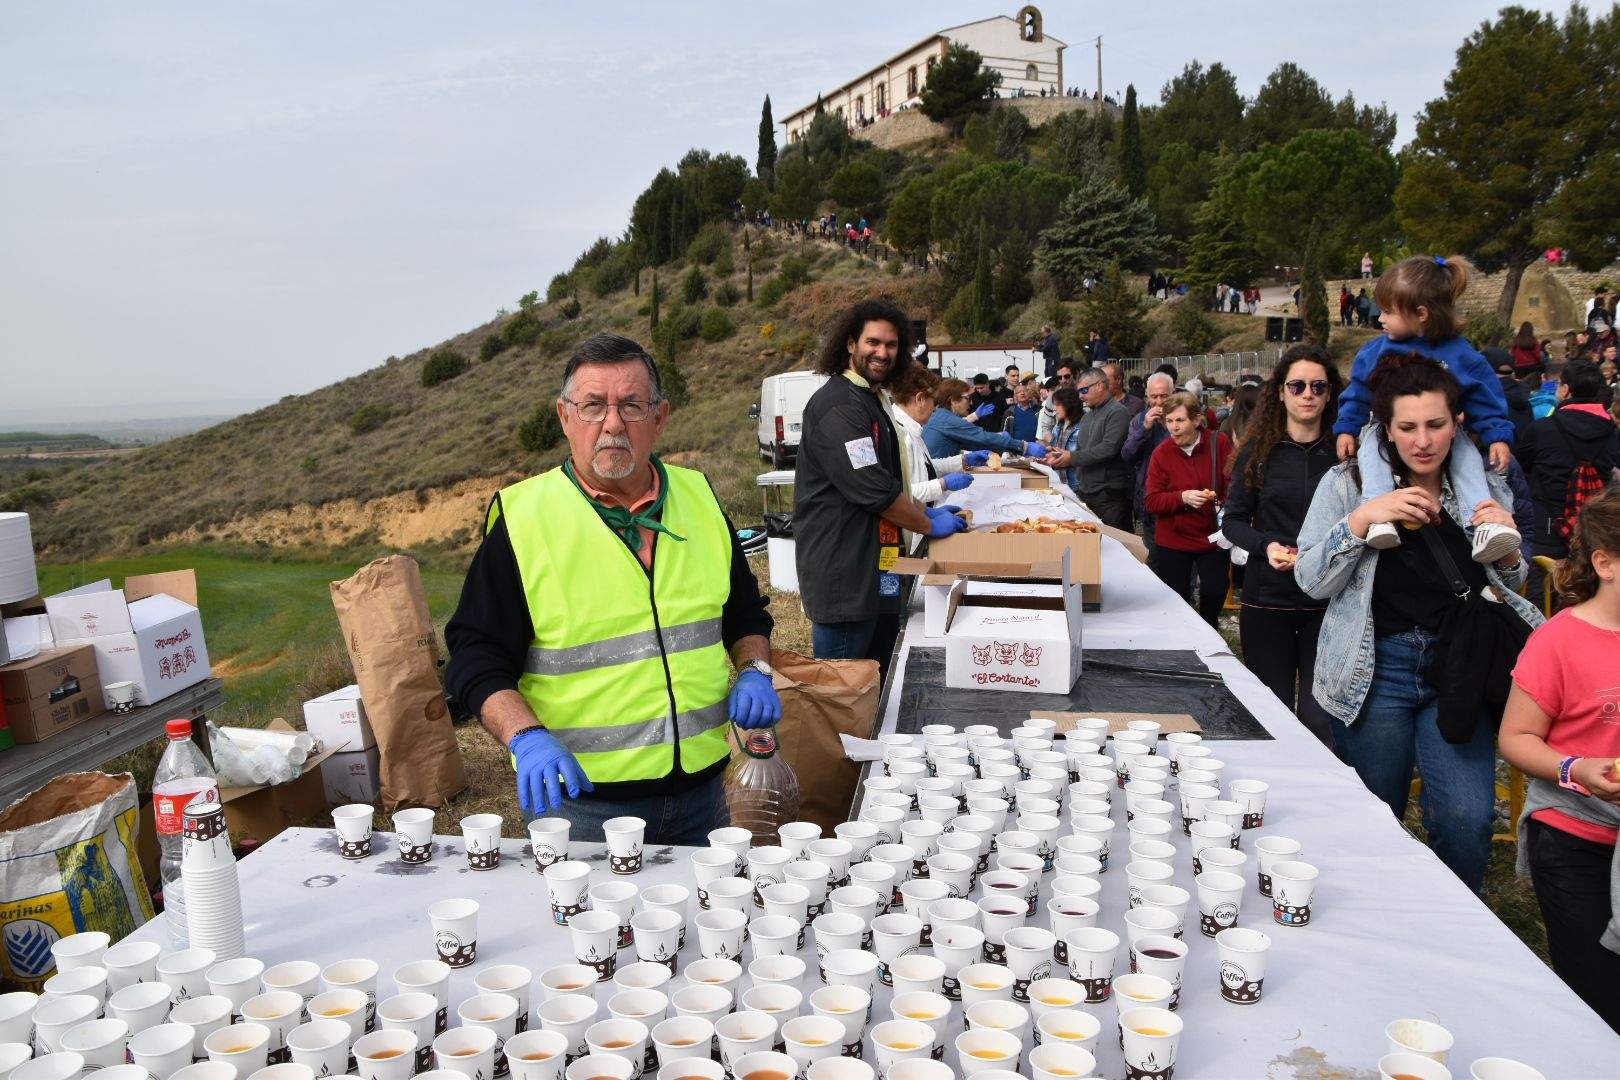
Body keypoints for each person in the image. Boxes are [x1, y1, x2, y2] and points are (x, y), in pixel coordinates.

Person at [444, 332, 778, 840]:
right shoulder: (525, 518)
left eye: (631, 406)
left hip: (703, 799)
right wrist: (525, 737)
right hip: (583, 809)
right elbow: (475, 656)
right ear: (565, 417)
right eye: (594, 406)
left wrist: (754, 667)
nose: (613, 424)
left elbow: (745, 613)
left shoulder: (699, 497)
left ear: (660, 417)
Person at [1295, 354, 1541, 893]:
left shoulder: (1484, 484)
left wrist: (1507, 548)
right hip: (1375, 670)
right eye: (1407, 427)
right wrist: (1361, 520)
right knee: (1374, 817)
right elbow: (1310, 580)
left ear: (1457, 422)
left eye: (1435, 424)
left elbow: (1512, 582)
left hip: (1461, 669)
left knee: (1466, 820)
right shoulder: (1347, 483)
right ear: (1386, 428)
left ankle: (1452, 934)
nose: (1422, 440)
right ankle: (1374, 929)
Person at [794, 300, 971, 673]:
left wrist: (923, 510)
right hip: (845, 579)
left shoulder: (872, 398)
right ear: (850, 344)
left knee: (878, 685)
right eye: (872, 342)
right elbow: (871, 487)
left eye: (891, 345)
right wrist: (925, 522)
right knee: (843, 693)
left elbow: (893, 479)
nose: (882, 352)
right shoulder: (839, 407)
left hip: (879, 570)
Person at [1500, 487, 1620, 1034]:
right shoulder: (1560, 642)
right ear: (1605, 563)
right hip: (1575, 837)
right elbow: (1518, 738)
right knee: (1599, 999)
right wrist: (1578, 769)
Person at [1334, 255, 1521, 564]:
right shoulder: (1376, 350)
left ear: (1420, 314)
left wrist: (1497, 434)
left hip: (1448, 431)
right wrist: (1347, 427)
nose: (1380, 318)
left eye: (1389, 311)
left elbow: (1484, 397)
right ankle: (1378, 511)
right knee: (1371, 451)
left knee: (1467, 459)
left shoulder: (1460, 354)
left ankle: (1482, 522)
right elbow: (1357, 393)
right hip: (1384, 427)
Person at [1220, 346, 1343, 748]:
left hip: (1327, 603)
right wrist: (1266, 545)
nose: (1308, 394)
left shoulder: (1345, 456)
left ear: (1329, 394)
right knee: (1269, 715)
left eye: (1318, 386)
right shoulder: (1258, 453)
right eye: (1298, 385)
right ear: (1281, 392)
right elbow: (1233, 521)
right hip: (1267, 597)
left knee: (1318, 719)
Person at [1518, 361, 1620, 603]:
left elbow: (1520, 464)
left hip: (1547, 526)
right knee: (1588, 595)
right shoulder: (1611, 432)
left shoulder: (1542, 429)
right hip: (1592, 528)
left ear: (1565, 389)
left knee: (1542, 596)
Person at [1144, 392, 1235, 626]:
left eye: (1180, 421)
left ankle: (1209, 629)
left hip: (1212, 535)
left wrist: (1222, 502)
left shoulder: (1219, 443)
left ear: (1196, 420)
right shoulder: (1161, 453)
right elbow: (1152, 501)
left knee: (1215, 591)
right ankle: (1183, 638)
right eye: (1169, 421)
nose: (1174, 428)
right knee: (1176, 598)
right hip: (1173, 538)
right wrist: (1181, 497)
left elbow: (1233, 483)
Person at [885, 362, 988, 551]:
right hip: (908, 535)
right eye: (934, 402)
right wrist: (943, 485)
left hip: (919, 518)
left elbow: (926, 467)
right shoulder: (900, 436)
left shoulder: (912, 430)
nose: (935, 408)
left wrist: (963, 460)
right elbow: (902, 494)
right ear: (920, 399)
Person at [1068, 369, 1134, 529]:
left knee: (1118, 547)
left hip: (1110, 495)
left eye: (1084, 390)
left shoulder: (1118, 412)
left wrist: (1071, 457)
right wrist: (1058, 458)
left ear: (1100, 386)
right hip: (1087, 491)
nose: (1080, 396)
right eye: (1078, 392)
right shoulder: (1086, 417)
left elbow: (1108, 448)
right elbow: (1081, 451)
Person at [923, 378, 1048, 459]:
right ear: (952, 400)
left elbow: (975, 441)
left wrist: (998, 440)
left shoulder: (940, 417)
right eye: (967, 398)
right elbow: (982, 437)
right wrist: (1023, 446)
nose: (971, 403)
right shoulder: (948, 421)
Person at [1124, 372, 1175, 554]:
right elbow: (1127, 455)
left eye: (1164, 396)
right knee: (1153, 556)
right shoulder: (1139, 420)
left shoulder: (1182, 419)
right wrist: (1145, 428)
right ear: (1147, 397)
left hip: (1178, 499)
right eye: (1154, 397)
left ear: (1173, 393)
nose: (1159, 402)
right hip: (1150, 498)